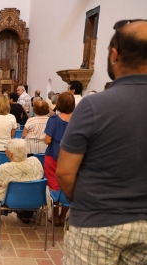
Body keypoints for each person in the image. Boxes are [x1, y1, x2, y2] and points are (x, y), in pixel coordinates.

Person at [57, 20, 147, 264]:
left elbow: (64, 172)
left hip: (96, 223)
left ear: (114, 55)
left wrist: (90, 201)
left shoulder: (94, 105)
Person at [0, 139, 47, 224]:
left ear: (11, 154)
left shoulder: (4, 168)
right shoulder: (35, 162)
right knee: (30, 186)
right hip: (32, 198)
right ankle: (26, 216)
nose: (5, 149)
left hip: (10, 199)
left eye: (6, 147)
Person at [44, 92, 74, 226]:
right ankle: (63, 217)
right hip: (71, 157)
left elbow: (47, 140)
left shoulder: (54, 119)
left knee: (54, 186)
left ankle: (55, 216)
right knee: (68, 185)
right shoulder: (78, 119)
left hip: (54, 155)